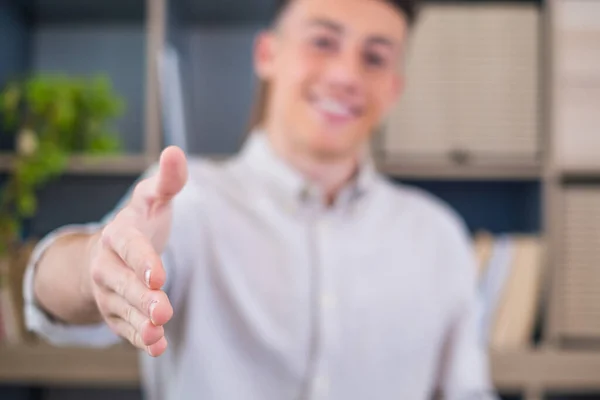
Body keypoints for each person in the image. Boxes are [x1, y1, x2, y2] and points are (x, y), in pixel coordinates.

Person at [23, 0, 498, 399]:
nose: (345, 75)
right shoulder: (189, 203)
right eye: (323, 42)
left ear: (393, 88)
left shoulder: (437, 237)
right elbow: (53, 296)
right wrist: (93, 265)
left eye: (374, 58)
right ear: (268, 54)